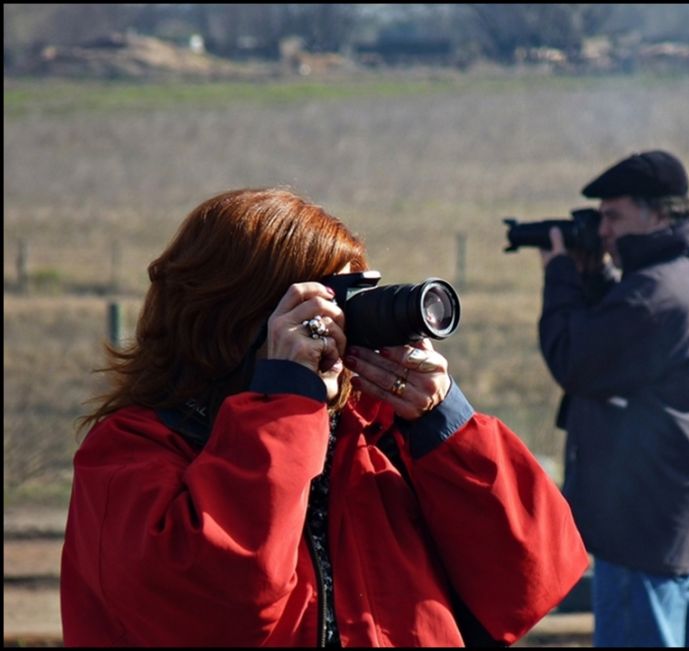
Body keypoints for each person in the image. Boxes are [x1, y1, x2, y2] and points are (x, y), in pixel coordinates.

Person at [60, 187, 589, 647]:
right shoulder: (130, 454)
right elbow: (220, 609)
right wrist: (284, 404)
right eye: (317, 308)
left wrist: (441, 423)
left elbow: (532, 579)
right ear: (235, 317)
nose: (336, 327)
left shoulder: (373, 440)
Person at [537, 151, 689, 647]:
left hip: (641, 518)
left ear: (657, 214)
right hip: (676, 509)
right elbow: (627, 348)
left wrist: (561, 277)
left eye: (613, 216)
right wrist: (597, 279)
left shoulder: (657, 294)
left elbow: (575, 359)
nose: (604, 230)